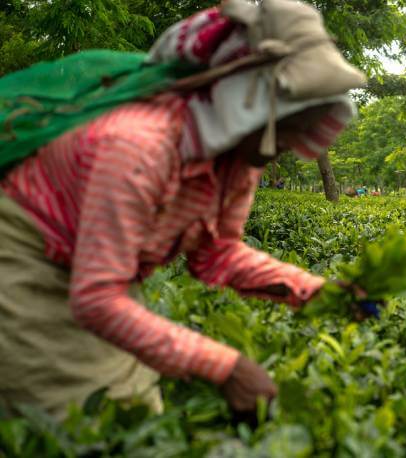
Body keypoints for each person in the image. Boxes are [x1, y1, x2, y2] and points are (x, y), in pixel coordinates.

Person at [0, 0, 371, 419]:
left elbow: (217, 252)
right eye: (290, 120)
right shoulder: (136, 149)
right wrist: (227, 368)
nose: (294, 139)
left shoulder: (236, 159)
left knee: (131, 408)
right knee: (79, 419)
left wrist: (313, 292)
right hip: (26, 259)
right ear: (244, 103)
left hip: (91, 273)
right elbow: (97, 298)